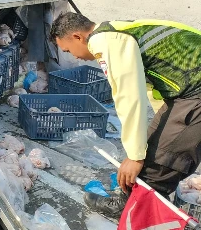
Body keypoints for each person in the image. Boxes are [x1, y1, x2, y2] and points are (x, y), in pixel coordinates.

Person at [49, 12, 201, 217]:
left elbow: (128, 95)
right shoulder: (118, 30)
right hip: (187, 91)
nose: (73, 56)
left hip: (195, 93)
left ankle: (132, 209)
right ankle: (135, 200)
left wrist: (135, 157)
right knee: (154, 145)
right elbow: (152, 89)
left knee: (161, 161)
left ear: (78, 37)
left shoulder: (104, 41)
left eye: (68, 50)